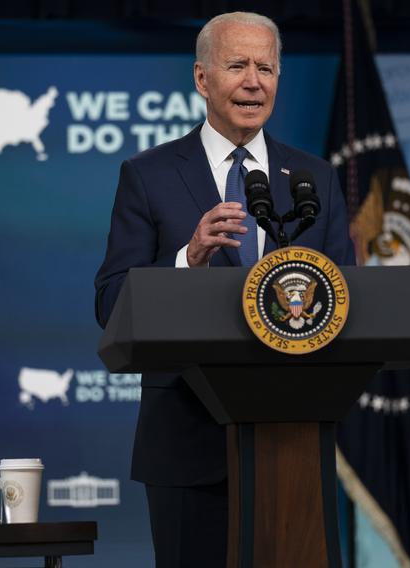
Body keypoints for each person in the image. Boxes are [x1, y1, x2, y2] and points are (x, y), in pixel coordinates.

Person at [94, 11, 354, 566]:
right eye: (237, 65)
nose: (254, 81)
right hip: (186, 441)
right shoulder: (150, 175)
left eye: (267, 67)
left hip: (293, 443)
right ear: (202, 78)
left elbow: (345, 301)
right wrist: (189, 258)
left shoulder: (314, 180)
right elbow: (111, 303)